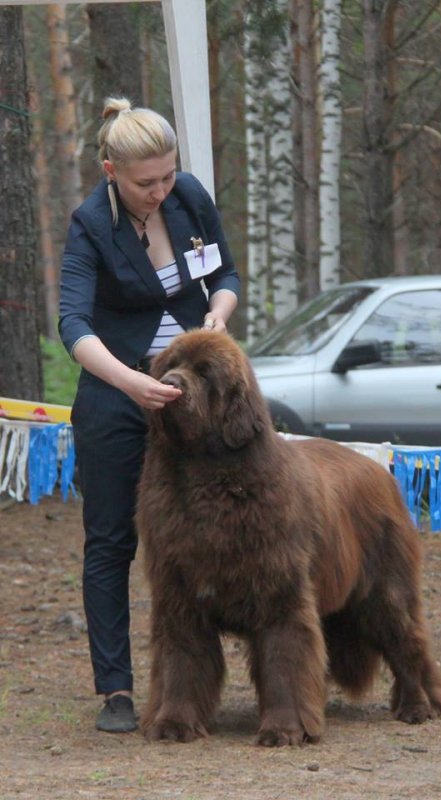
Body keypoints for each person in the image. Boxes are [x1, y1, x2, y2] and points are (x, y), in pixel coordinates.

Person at [59, 97, 240, 733]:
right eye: (145, 183)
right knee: (112, 540)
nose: (160, 191)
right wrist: (131, 383)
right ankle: (116, 689)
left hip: (195, 396)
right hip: (117, 394)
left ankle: (200, 676)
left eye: (167, 175)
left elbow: (226, 273)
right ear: (111, 171)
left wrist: (217, 314)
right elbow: (73, 324)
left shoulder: (188, 197)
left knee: (219, 528)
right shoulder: (91, 223)